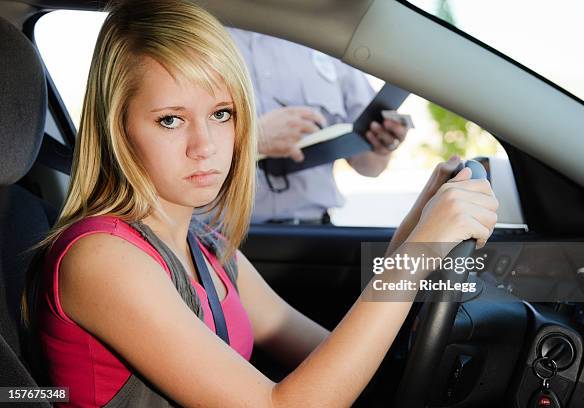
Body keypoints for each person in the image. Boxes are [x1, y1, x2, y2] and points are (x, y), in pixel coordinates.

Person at [21, 0, 498, 406]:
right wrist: (422, 250)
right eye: (170, 120)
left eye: (221, 113)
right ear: (117, 127)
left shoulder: (204, 244)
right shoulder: (102, 259)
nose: (204, 145)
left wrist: (416, 229)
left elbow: (329, 358)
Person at [228, 28, 410, 224]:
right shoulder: (202, 40)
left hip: (315, 235)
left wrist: (381, 145)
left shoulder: (331, 46)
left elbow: (370, 167)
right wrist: (250, 138)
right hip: (217, 239)